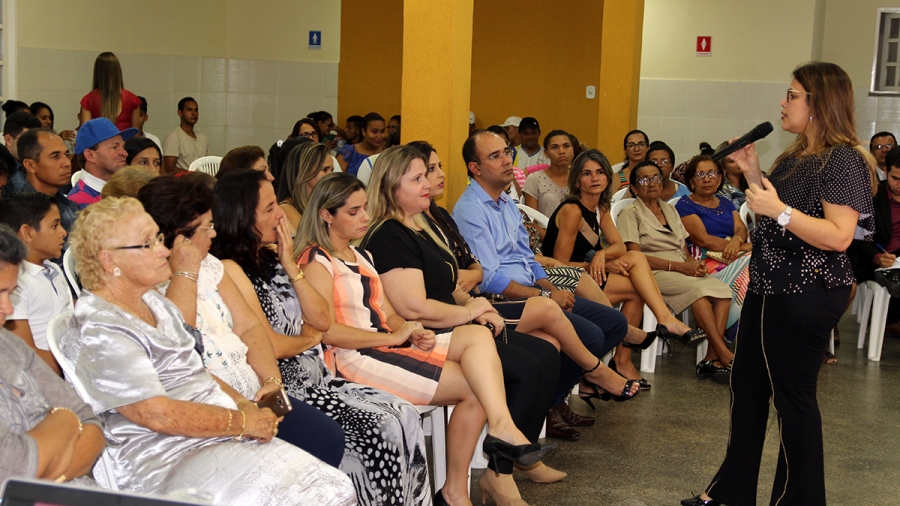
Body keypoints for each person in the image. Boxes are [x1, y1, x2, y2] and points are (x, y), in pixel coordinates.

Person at [58, 196, 355, 503]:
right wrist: (242, 422)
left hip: (209, 435)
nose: (164, 250)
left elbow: (194, 373)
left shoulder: (153, 302)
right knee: (321, 492)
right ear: (109, 261)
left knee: (331, 484)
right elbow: (155, 415)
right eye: (147, 244)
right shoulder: (100, 326)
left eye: (158, 238)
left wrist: (244, 405)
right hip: (165, 457)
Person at [681, 62, 877, 506]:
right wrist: (752, 172)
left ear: (818, 103)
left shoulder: (844, 159)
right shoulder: (794, 156)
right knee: (748, 388)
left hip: (808, 291)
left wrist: (780, 211)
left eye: (792, 95)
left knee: (792, 399)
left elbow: (839, 236)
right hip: (770, 286)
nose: (783, 102)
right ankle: (730, 493)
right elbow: (774, 213)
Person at [302, 169, 555, 505]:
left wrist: (411, 329)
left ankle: (495, 435)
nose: (364, 217)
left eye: (364, 208)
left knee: (476, 340)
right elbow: (326, 331)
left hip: (384, 345)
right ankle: (460, 484)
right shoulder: (316, 261)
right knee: (476, 386)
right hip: (354, 358)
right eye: (354, 211)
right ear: (326, 215)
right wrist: (392, 337)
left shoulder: (361, 255)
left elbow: (387, 312)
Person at [209, 169, 431, 505]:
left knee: (406, 414)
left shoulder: (274, 257)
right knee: (382, 426)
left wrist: (289, 263)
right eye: (269, 208)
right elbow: (270, 344)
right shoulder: (232, 268)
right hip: (287, 385)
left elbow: (322, 319)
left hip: (320, 376)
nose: (281, 215)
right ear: (241, 216)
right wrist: (308, 340)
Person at [138, 174, 346, 469]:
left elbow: (250, 327)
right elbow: (181, 355)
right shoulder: (149, 283)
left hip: (254, 391)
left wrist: (272, 382)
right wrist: (185, 272)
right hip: (210, 405)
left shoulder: (212, 266)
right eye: (206, 227)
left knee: (326, 437)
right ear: (181, 236)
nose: (214, 233)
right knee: (295, 460)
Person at [454, 131, 639, 418]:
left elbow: (527, 257)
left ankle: (555, 397)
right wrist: (545, 295)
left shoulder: (506, 204)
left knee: (613, 322)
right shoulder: (471, 211)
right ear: (475, 168)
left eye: (506, 152)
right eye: (495, 156)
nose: (506, 160)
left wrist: (547, 286)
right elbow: (490, 279)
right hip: (501, 299)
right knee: (590, 335)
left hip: (532, 289)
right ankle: (554, 402)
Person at [540, 149, 703, 385]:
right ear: (576, 181)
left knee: (635, 262)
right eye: (586, 174)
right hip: (563, 282)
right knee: (637, 285)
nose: (594, 178)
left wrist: (603, 255)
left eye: (599, 172)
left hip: (589, 274)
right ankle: (630, 352)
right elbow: (560, 265)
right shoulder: (572, 211)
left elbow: (619, 246)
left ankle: (627, 353)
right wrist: (600, 263)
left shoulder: (601, 208)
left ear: (608, 177)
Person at [0, 223, 106, 485]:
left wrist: (52, 479)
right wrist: (65, 419)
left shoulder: (8, 344)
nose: (8, 309)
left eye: (10, 294)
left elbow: (90, 420)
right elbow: (14, 467)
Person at [618, 161, 734, 381]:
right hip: (651, 272)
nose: (651, 183)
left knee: (723, 292)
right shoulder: (629, 213)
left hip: (681, 269)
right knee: (698, 293)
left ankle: (711, 357)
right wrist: (680, 267)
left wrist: (694, 265)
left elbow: (683, 248)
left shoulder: (669, 209)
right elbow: (634, 257)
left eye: (656, 178)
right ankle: (724, 354)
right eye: (644, 179)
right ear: (633, 187)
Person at [675, 155, 752, 329]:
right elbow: (703, 239)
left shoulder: (725, 203)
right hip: (705, 260)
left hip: (733, 256)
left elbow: (741, 229)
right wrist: (744, 247)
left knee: (754, 269)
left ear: (719, 178)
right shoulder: (685, 205)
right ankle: (733, 329)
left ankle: (736, 328)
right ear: (691, 181)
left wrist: (736, 242)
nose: (707, 179)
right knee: (752, 266)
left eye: (711, 173)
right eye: (700, 174)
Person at [0, 193, 71, 375]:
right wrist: (77, 368)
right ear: (28, 233)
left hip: (70, 360)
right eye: (54, 226)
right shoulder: (15, 285)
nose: (63, 232)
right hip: (49, 375)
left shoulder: (53, 269)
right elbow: (26, 355)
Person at [13, 129, 79, 234]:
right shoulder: (16, 214)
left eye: (66, 155)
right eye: (55, 156)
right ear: (30, 165)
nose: (67, 163)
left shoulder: (71, 207)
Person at [68, 118, 137, 208]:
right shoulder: (78, 203)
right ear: (90, 155)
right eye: (115, 147)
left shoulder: (124, 191)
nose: (125, 153)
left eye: (123, 147)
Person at [278, 142, 333, 231]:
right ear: (304, 172)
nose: (331, 176)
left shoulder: (323, 204)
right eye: (325, 169)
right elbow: (308, 239)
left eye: (332, 170)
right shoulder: (286, 209)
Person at [79, 52, 140, 131]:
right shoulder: (133, 99)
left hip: (100, 139)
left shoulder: (88, 99)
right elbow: (135, 133)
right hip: (125, 139)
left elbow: (86, 133)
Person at [523, 129, 576, 217]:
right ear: (546, 153)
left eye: (566, 146)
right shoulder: (535, 179)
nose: (561, 151)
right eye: (554, 147)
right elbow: (531, 219)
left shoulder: (578, 179)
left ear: (573, 150)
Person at [623, 141, 690, 200]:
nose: (659, 165)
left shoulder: (685, 192)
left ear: (672, 167)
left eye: (664, 162)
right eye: (654, 162)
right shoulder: (638, 188)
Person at [162, 97, 208, 174]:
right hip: (182, 180)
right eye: (189, 110)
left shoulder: (203, 138)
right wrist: (194, 175)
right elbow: (170, 169)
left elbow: (207, 164)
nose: (193, 113)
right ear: (180, 113)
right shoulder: (173, 137)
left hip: (202, 179)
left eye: (196, 110)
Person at [2, 112, 42, 194]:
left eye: (35, 141)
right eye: (26, 141)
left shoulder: (37, 162)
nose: (32, 146)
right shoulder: (3, 169)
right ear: (8, 140)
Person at [713, 141, 749, 208]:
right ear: (722, 166)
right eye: (732, 161)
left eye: (740, 157)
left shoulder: (756, 179)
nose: (739, 161)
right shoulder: (720, 189)